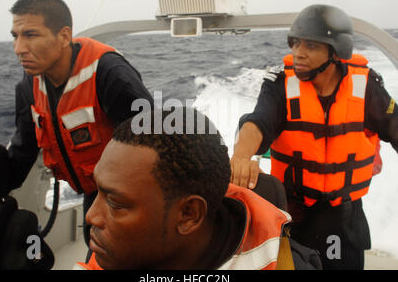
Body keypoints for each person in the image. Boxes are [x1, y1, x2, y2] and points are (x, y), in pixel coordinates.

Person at [231, 4, 398, 270]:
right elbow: (257, 122)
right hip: (295, 216)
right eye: (295, 44)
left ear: (336, 52)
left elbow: (395, 127)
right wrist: (240, 156)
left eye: (311, 46)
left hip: (345, 218)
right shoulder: (279, 86)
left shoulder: (366, 87)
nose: (298, 53)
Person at [75, 108, 322, 270]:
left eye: (116, 204)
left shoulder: (285, 265)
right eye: (98, 193)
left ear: (189, 214)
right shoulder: (113, 253)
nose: (90, 217)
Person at [6, 0, 153, 249]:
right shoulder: (29, 85)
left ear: (63, 36)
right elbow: (23, 149)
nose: (19, 49)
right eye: (15, 37)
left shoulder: (108, 73)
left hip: (129, 195)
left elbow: (151, 146)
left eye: (30, 35)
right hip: (91, 190)